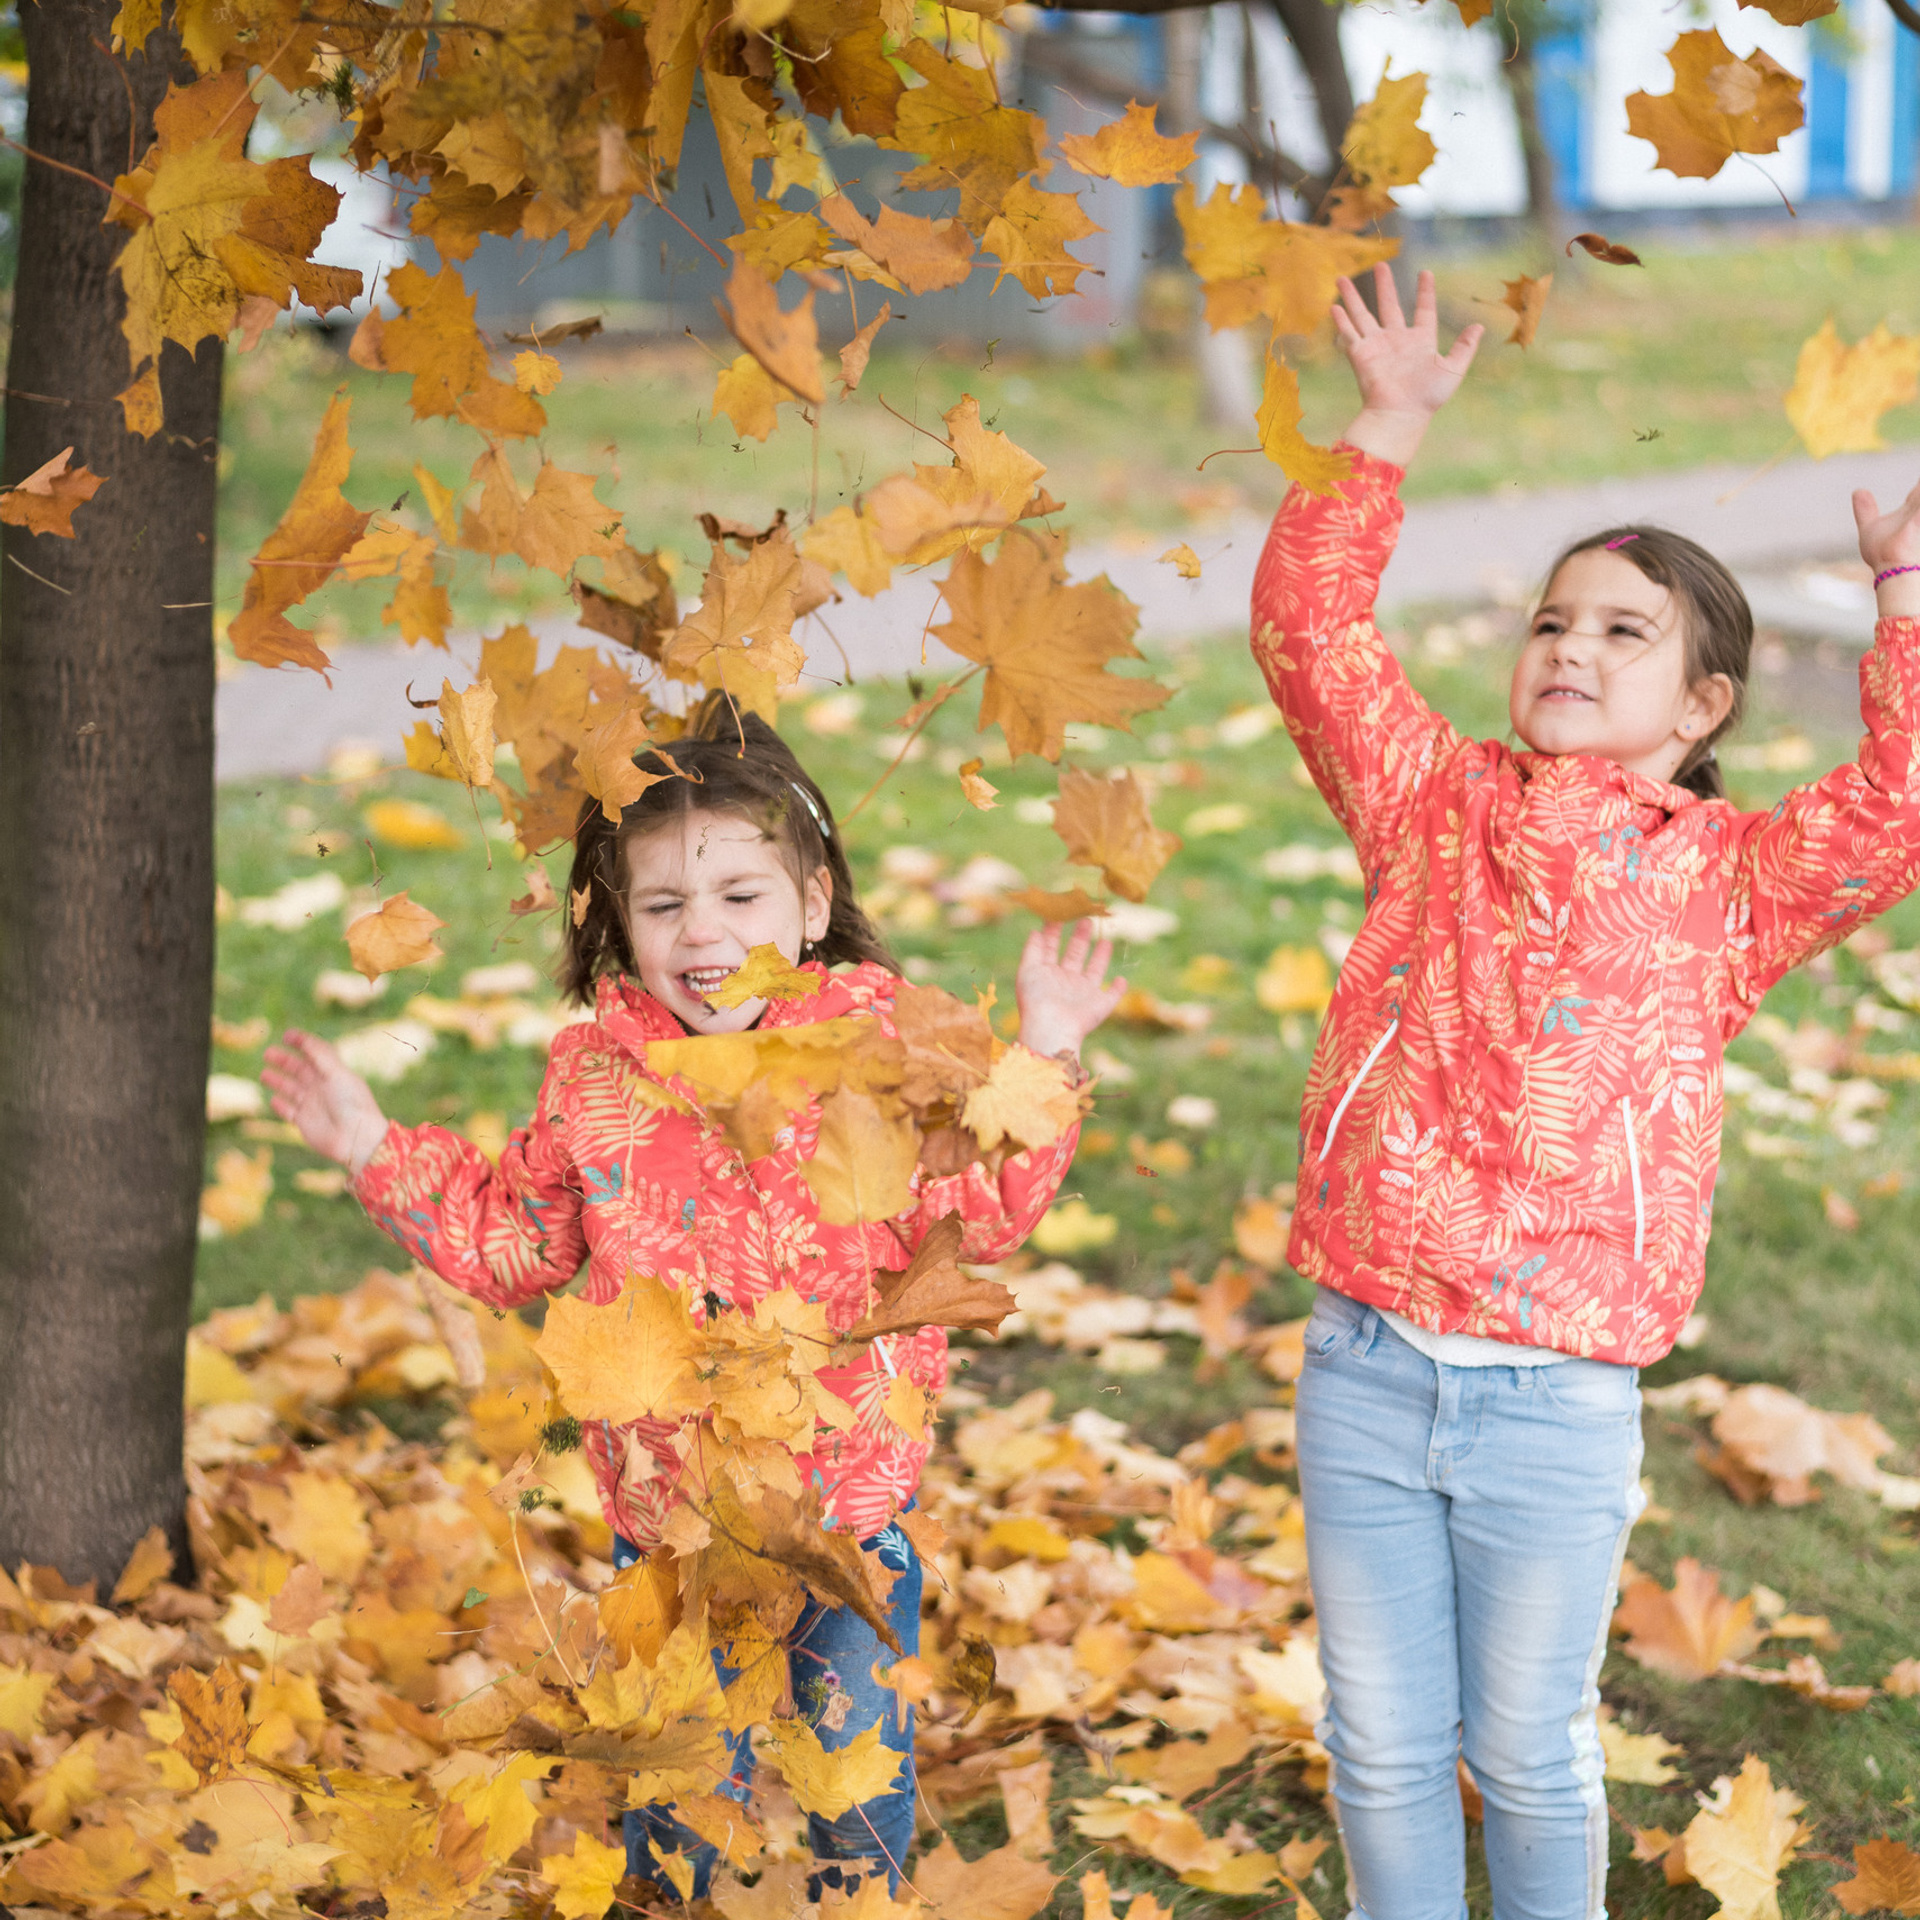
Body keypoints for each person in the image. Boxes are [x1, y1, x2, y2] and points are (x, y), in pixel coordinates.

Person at [1254, 264, 1920, 1919]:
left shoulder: (1736, 883)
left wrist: (1906, 603)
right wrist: (1384, 431)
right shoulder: (1430, 806)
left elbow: (1901, 805)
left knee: (1532, 1750)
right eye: (1553, 621)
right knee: (1381, 1743)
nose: (1571, 646)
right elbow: (1311, 639)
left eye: (1625, 632)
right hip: (1369, 1358)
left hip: (1555, 1398)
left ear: (1703, 706)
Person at [262, 698, 1126, 1899]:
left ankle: (861, 1901)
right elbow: (515, 1245)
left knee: (856, 1782)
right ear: (617, 920)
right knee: (676, 1786)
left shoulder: (881, 1057)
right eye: (664, 904)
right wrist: (372, 1146)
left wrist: (1048, 1049)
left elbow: (983, 1209)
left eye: (739, 896)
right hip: (669, 1523)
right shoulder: (595, 1081)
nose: (703, 931)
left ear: (811, 905)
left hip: (843, 1517)